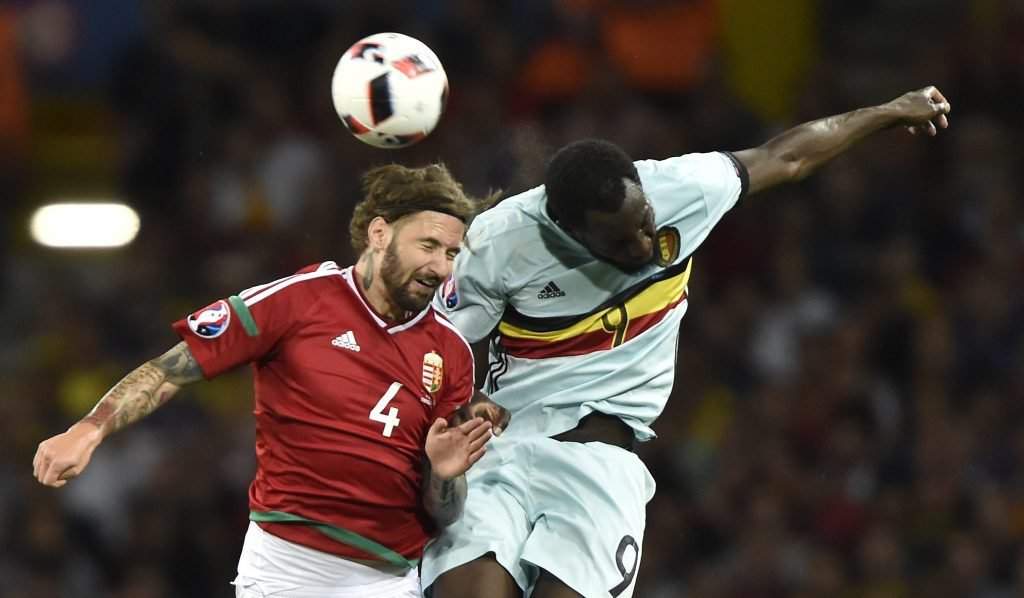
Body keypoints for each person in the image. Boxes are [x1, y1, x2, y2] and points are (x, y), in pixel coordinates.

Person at [422, 86, 952, 598]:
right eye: (620, 242)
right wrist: (465, 397)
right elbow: (438, 346)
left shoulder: (683, 187)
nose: (645, 245)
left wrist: (887, 111)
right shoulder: (499, 241)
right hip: (500, 455)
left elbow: (787, 156)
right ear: (569, 230)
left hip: (601, 466)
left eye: (645, 222)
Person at [33, 163, 510, 598]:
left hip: (390, 579)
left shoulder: (450, 352)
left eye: (451, 253)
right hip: (286, 572)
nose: (441, 268)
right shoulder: (300, 301)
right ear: (379, 233)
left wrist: (445, 477)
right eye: (427, 246)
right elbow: (174, 368)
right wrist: (89, 429)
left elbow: (444, 511)